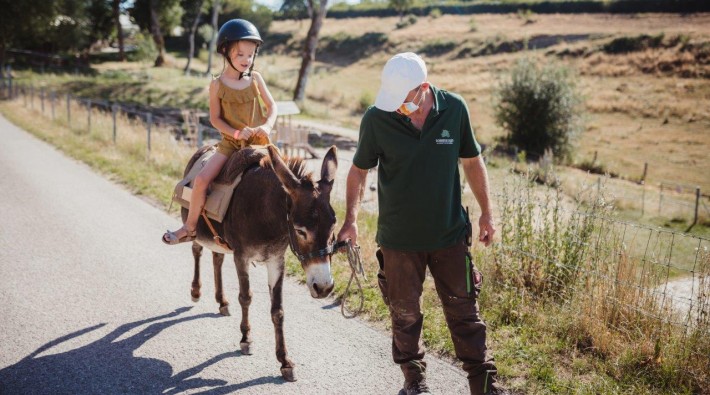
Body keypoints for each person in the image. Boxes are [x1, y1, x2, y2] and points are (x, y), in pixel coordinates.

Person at [337, 52, 503, 395]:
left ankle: (484, 387)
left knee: (465, 316)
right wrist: (350, 220)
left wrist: (487, 212)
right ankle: (415, 383)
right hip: (398, 240)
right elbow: (358, 170)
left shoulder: (454, 109)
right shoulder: (376, 118)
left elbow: (472, 163)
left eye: (404, 100)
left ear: (423, 89)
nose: (397, 107)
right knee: (405, 315)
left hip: (450, 235)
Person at [163, 19, 277, 245]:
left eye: (251, 55)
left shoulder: (256, 79)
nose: (247, 60)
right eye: (240, 54)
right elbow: (215, 119)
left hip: (260, 142)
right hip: (230, 143)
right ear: (225, 51)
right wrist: (235, 134)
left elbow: (272, 107)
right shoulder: (217, 84)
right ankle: (190, 227)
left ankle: (291, 234)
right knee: (203, 179)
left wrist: (266, 126)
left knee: (290, 181)